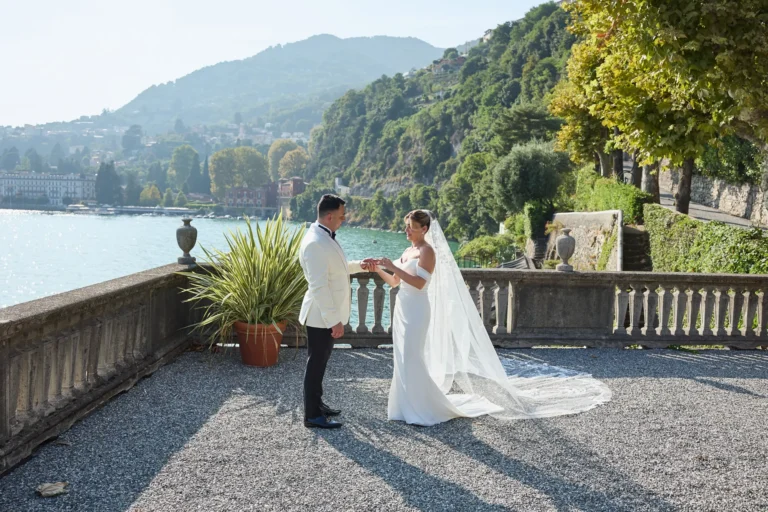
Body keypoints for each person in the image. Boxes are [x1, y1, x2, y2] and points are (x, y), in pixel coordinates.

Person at [367, 210, 612, 426]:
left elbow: (420, 283)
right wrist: (378, 269)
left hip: (418, 310)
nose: (407, 231)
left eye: (411, 227)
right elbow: (395, 282)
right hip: (403, 309)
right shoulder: (407, 251)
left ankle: (423, 408)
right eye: (406, 226)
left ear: (424, 228)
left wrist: (393, 266)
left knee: (413, 355)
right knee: (402, 356)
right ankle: (403, 407)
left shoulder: (427, 251)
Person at [298, 194, 369, 429]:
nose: (344, 219)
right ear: (329, 216)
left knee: (320, 363)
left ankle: (317, 405)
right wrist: (333, 321)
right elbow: (319, 286)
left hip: (324, 316)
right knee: (315, 365)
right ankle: (312, 415)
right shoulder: (315, 243)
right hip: (320, 317)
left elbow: (337, 269)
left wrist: (360, 265)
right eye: (341, 216)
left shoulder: (323, 237)